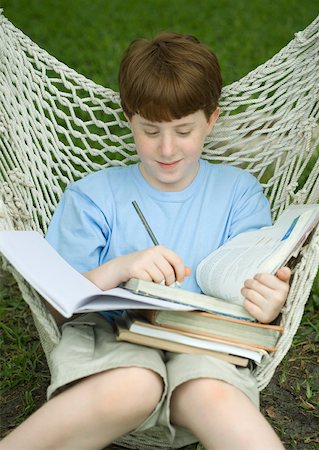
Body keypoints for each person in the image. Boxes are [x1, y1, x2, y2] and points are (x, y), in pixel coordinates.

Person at [1, 32, 291, 450]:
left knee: (211, 394)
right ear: (129, 119)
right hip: (112, 335)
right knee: (134, 385)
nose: (167, 147)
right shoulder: (94, 195)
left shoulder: (239, 192)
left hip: (206, 341)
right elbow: (56, 300)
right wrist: (120, 268)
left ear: (211, 119)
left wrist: (269, 300)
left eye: (184, 129)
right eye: (150, 130)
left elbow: (247, 280)